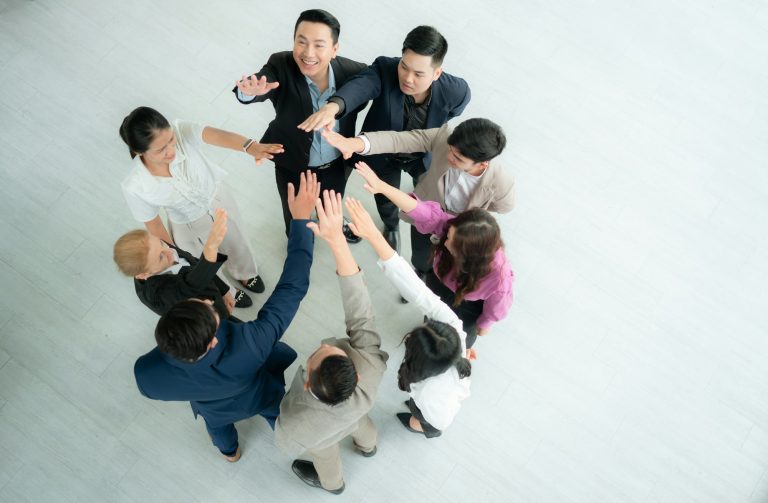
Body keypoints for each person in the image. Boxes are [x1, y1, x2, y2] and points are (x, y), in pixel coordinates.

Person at [133, 172, 319, 462]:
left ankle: (230, 452)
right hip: (260, 395)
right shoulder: (252, 342)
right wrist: (300, 221)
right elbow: (293, 286)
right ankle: (283, 433)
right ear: (210, 343)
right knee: (276, 412)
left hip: (213, 411)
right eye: (210, 309)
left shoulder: (146, 375)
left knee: (219, 430)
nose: (211, 301)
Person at [299, 25, 471, 253]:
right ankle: (391, 226)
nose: (408, 79)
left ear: (437, 73)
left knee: (432, 196)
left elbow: (451, 114)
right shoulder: (385, 68)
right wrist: (333, 107)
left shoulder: (457, 92)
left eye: (419, 74)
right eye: (404, 66)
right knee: (385, 196)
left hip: (422, 155)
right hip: (381, 152)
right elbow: (360, 87)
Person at [275, 190, 388, 495]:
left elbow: (285, 444)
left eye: (319, 352)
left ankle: (333, 485)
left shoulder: (296, 422)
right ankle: (368, 446)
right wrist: (337, 241)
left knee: (326, 457)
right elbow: (360, 311)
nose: (324, 344)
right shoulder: (371, 365)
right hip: (356, 413)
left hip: (322, 433)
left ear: (308, 385)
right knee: (361, 425)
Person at [119, 106, 281, 307]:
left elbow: (216, 135)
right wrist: (177, 258)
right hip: (187, 224)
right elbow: (155, 227)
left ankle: (245, 273)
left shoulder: (180, 130)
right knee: (204, 261)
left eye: (171, 140)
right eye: (161, 150)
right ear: (139, 151)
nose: (171, 150)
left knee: (237, 238)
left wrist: (250, 146)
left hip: (218, 199)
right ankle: (228, 291)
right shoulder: (135, 186)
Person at [322, 117, 514, 278]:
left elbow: (503, 207)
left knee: (451, 268)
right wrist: (354, 143)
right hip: (424, 214)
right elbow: (400, 140)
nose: (449, 157)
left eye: (458, 159)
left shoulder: (501, 182)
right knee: (421, 255)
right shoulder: (445, 136)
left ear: (482, 165)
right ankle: (421, 272)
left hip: (462, 230)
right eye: (450, 151)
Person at [345, 197, 471, 438]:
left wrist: (421, 413)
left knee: (421, 419)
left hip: (431, 414)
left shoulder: (434, 396)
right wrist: (373, 235)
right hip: (428, 392)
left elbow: (439, 417)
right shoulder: (454, 326)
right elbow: (420, 293)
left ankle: (419, 425)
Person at [233, 9, 366, 237]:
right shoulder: (281, 64)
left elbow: (372, 85)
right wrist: (249, 92)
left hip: (335, 165)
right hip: (293, 164)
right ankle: (298, 241)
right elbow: (263, 81)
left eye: (319, 45)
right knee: (296, 220)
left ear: (335, 49)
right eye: (301, 42)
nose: (308, 53)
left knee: (330, 207)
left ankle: (331, 224)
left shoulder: (354, 73)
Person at [353, 161, 514, 348]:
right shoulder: (454, 228)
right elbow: (422, 211)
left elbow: (497, 304)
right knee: (432, 314)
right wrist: (382, 187)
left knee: (459, 338)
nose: (445, 241)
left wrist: (485, 325)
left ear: (470, 254)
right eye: (448, 235)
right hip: (440, 280)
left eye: (452, 243)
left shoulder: (498, 275)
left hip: (468, 305)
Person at [113, 208, 243, 320]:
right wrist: (210, 247)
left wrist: (224, 290)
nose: (169, 251)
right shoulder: (157, 294)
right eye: (160, 257)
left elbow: (194, 262)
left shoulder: (158, 248)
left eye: (161, 243)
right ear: (143, 274)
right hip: (208, 321)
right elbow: (191, 284)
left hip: (215, 298)